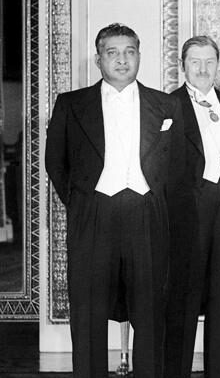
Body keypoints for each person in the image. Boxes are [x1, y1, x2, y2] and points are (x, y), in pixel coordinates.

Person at [45, 23, 186, 378]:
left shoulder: (167, 104)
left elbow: (178, 166)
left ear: (139, 56)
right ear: (99, 60)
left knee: (150, 312)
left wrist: (156, 203)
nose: (122, 60)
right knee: (89, 311)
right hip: (93, 216)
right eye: (113, 53)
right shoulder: (71, 104)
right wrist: (82, 204)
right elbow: (55, 162)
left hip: (147, 215)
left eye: (129, 52)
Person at [165, 36, 220, 378]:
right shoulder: (167, 106)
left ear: (218, 65)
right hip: (188, 215)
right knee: (184, 301)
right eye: (195, 62)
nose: (203, 69)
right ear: (182, 66)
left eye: (209, 62)